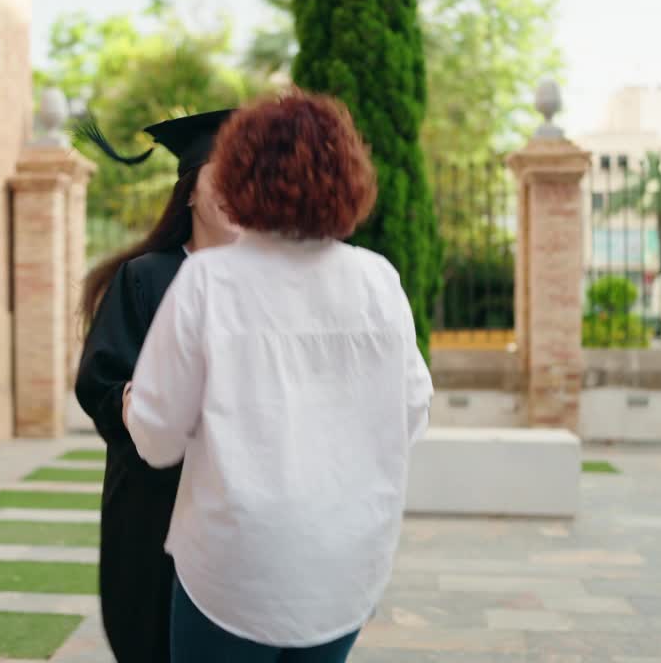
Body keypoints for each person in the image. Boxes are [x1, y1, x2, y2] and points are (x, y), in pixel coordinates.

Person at [123, 91, 434, 663]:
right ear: (349, 176)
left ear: (240, 176)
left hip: (233, 567)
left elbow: (157, 439)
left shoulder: (208, 282)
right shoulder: (378, 281)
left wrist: (133, 404)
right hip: (344, 560)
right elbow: (411, 410)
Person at [74, 109, 239, 663]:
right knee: (150, 634)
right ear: (189, 192)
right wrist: (150, 409)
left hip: (239, 500)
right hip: (154, 499)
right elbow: (101, 378)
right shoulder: (147, 277)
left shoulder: (267, 281)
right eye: (224, 172)